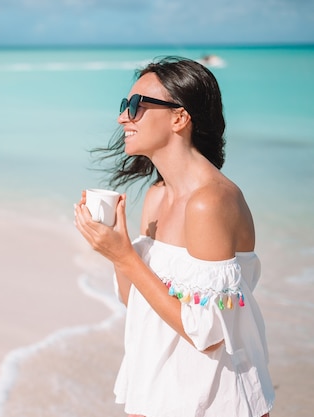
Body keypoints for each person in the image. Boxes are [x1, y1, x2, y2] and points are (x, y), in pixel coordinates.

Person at [74, 57, 275, 417]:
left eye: (135, 106)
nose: (123, 118)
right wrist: (114, 248)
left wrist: (124, 257)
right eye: (124, 106)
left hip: (213, 400)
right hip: (159, 393)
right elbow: (133, 299)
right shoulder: (157, 196)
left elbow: (208, 334)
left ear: (180, 118)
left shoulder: (210, 202)